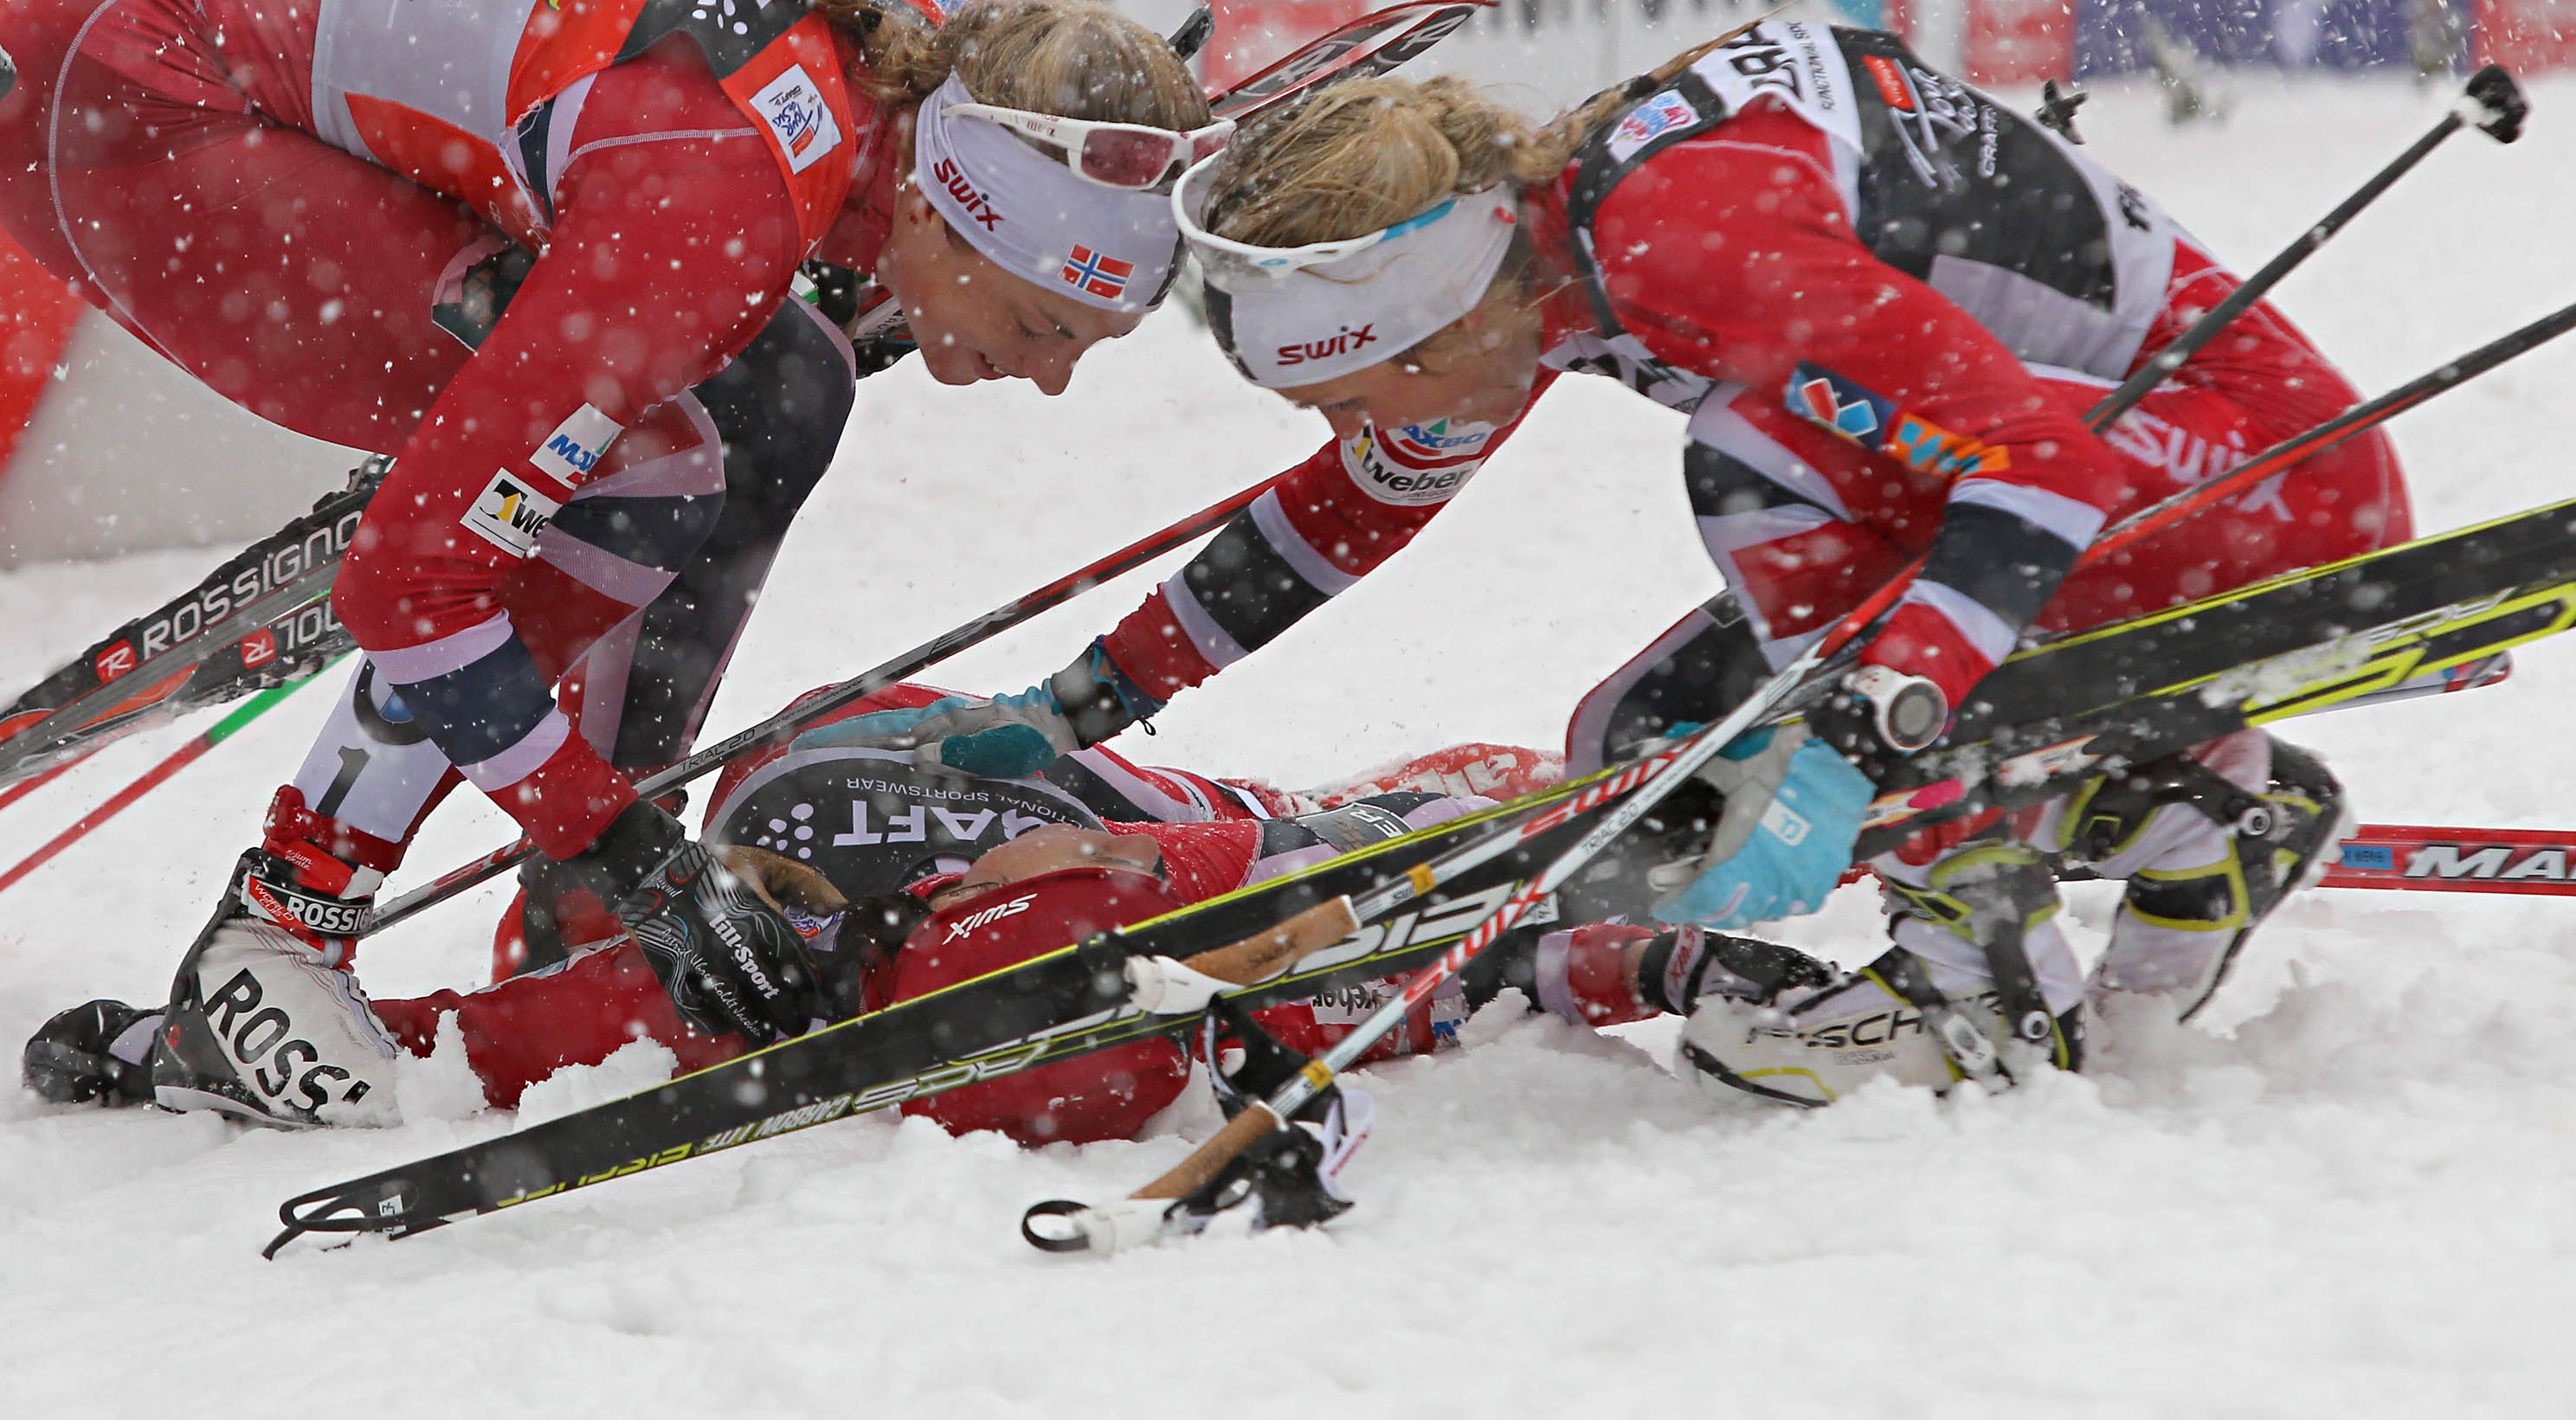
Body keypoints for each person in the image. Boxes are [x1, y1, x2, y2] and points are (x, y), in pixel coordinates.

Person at [859, 19, 2405, 1101]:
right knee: (1642, 754)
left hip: (2258, 487)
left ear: (1435, 318)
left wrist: (1873, 733)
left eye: (1349, 391)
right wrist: (1085, 706)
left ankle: (1984, 975)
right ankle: (2184, 810)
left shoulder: (1682, 239)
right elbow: (1353, 510)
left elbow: (2038, 467)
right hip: (2104, 491)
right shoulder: (1540, 243)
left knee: (1750, 460)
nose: (1357, 430)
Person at [0, 0, 1213, 1128]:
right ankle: (273, 938)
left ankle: (564, 897)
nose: (1047, 380)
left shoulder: (936, 18)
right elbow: (403, 594)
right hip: (132, 107)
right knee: (657, 463)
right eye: (1042, 326)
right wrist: (638, 856)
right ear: (940, 204)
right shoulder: (714, 207)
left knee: (779, 383)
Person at [27, 684, 1821, 1157]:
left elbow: (1414, 944)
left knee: (1330, 889)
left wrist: (1658, 955)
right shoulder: (711, 971)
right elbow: (436, 1049)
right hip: (889, 877)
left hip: (1094, 895)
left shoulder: (1188, 894)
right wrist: (171, 1050)